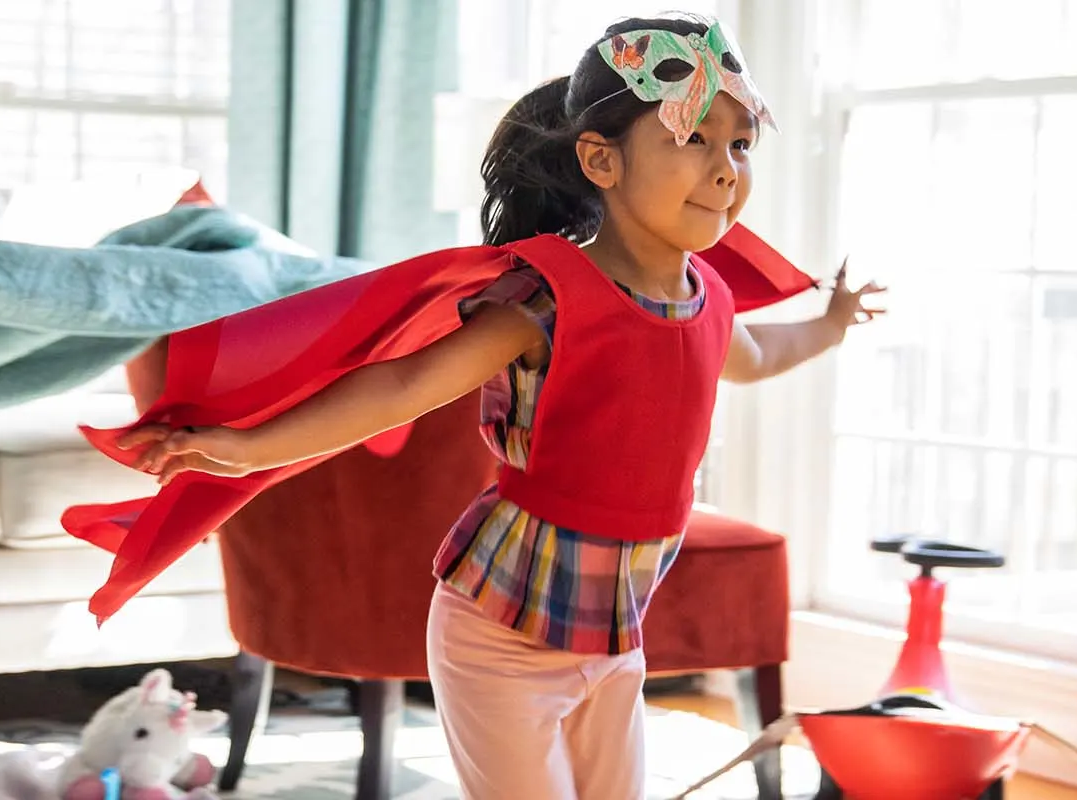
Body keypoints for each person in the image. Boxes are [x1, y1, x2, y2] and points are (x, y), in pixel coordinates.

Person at [70, 15, 884, 800]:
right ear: (600, 160)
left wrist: (831, 325)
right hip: (502, 641)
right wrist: (251, 450)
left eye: (739, 143)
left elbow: (758, 356)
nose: (725, 169)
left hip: (613, 642)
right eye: (691, 138)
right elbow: (400, 388)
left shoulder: (705, 298)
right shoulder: (547, 302)